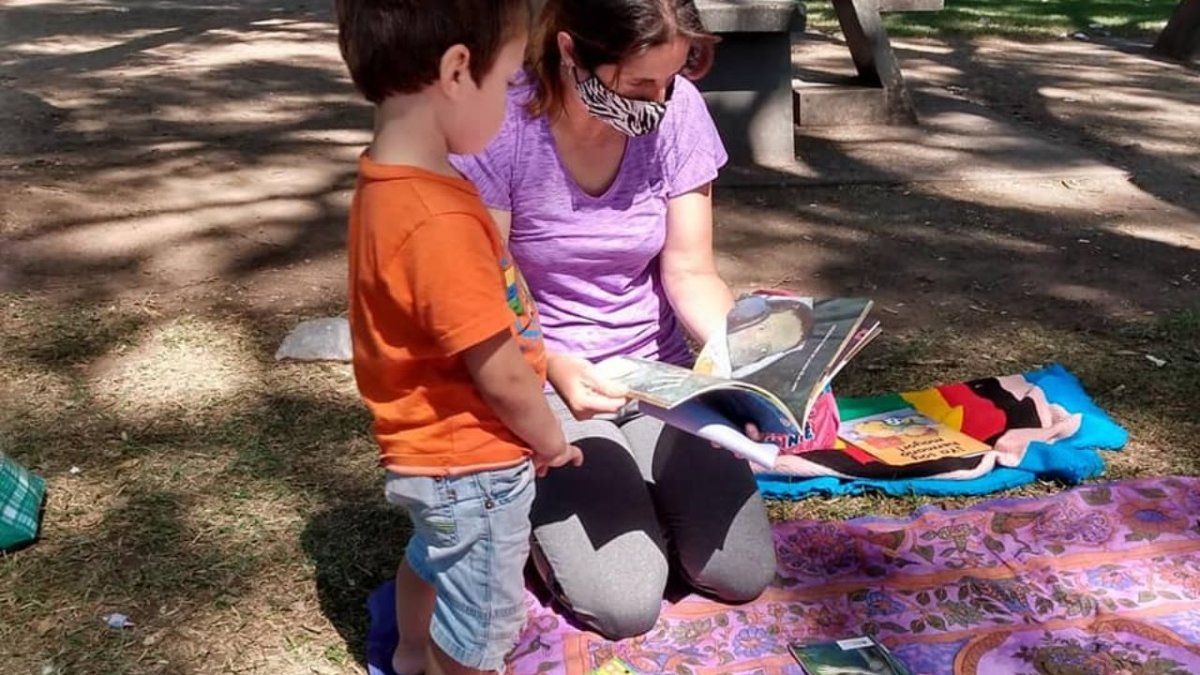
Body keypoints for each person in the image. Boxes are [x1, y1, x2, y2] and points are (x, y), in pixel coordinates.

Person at [452, 0, 778, 640]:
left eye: (672, 79)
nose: (658, 102)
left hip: (662, 380)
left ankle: (638, 477)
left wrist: (756, 366)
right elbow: (482, 302)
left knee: (741, 574)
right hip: (549, 386)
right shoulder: (499, 125)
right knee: (627, 604)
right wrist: (551, 368)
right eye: (638, 85)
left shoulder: (677, 108)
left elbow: (690, 272)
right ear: (571, 52)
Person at [336, 1, 582, 673]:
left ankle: (412, 654)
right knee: (483, 623)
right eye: (505, 83)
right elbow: (498, 370)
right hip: (471, 461)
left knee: (432, 558)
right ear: (455, 70)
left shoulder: (388, 181)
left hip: (429, 456)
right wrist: (550, 438)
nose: (510, 103)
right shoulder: (437, 214)